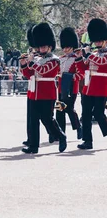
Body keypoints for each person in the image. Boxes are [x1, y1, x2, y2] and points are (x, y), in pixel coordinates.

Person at [20, 23, 66, 154]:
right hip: (33, 92)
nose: (42, 48)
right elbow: (29, 74)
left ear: (50, 46)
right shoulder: (37, 58)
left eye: (44, 46)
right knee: (33, 120)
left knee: (47, 119)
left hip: (47, 93)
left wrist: (32, 63)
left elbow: (45, 71)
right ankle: (33, 146)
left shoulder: (54, 60)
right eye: (40, 46)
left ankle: (61, 136)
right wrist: (24, 65)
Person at [75, 18, 107, 150]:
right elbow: (84, 69)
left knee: (98, 113)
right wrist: (78, 58)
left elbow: (102, 63)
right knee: (86, 114)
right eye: (96, 40)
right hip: (88, 87)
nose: (98, 42)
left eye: (100, 40)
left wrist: (88, 55)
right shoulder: (92, 53)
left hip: (101, 87)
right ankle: (87, 140)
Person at [57, 27, 82, 140]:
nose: (66, 49)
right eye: (64, 47)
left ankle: (78, 127)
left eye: (68, 47)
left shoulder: (76, 59)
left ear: (73, 46)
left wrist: (68, 76)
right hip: (61, 88)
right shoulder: (60, 59)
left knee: (69, 109)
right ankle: (60, 133)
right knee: (59, 110)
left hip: (72, 88)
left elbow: (79, 75)